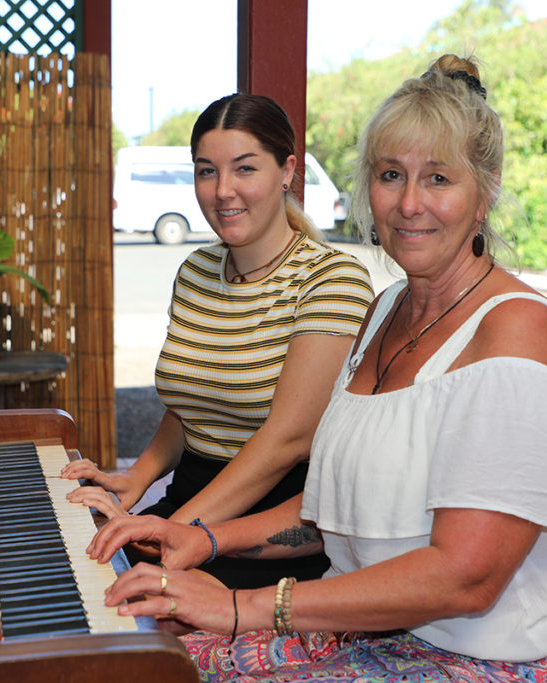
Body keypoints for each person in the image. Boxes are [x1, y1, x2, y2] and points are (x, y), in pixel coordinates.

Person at [85, 55, 547, 681]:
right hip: (375, 633)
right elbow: (332, 510)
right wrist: (210, 540)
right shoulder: (383, 313)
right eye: (389, 175)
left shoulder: (517, 331)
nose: (408, 203)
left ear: (484, 193)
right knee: (136, 662)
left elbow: (466, 579)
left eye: (437, 178)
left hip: (493, 653)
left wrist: (240, 606)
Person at [61, 93, 375, 589]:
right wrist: (134, 483)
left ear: (287, 170)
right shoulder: (197, 271)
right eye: (206, 171)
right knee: (75, 575)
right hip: (189, 502)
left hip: (271, 532)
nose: (223, 190)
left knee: (120, 616)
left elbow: (287, 441)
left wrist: (170, 529)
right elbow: (192, 404)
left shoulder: (332, 280)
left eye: (244, 169)